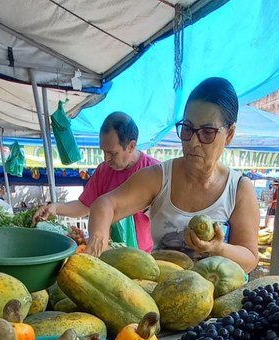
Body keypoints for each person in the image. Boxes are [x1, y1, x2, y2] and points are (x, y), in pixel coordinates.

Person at [84, 78, 260, 272]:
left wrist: (218, 248)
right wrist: (99, 236)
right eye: (187, 129)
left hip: (216, 297)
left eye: (207, 132)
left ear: (229, 134)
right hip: (160, 293)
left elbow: (250, 258)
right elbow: (106, 203)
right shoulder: (159, 178)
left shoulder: (239, 189)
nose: (193, 142)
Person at [32, 112, 159, 252]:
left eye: (112, 153)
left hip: (147, 256)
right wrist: (55, 208)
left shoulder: (154, 172)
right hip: (107, 255)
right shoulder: (103, 171)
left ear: (131, 146)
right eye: (103, 152)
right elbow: (84, 205)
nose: (106, 159)